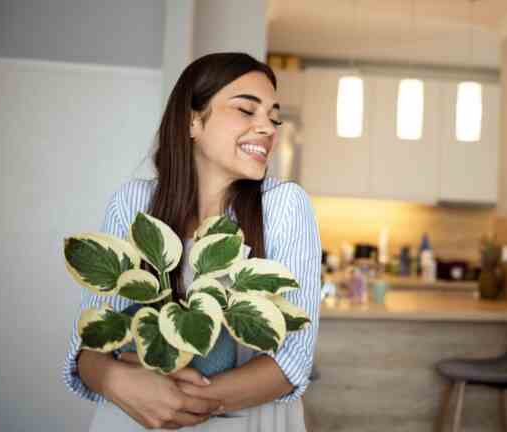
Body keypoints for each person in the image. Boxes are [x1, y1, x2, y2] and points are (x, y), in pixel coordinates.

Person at [62, 52, 322, 431]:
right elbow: (88, 345)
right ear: (192, 121)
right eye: (247, 110)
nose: (267, 127)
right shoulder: (134, 201)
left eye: (273, 116)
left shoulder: (284, 206)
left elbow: (293, 361)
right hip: (133, 418)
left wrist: (179, 399)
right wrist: (116, 380)